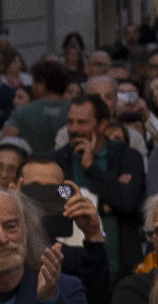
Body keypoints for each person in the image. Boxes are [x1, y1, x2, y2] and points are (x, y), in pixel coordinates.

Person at [57, 94, 146, 280]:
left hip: (121, 270)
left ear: (102, 125)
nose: (74, 129)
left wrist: (91, 168)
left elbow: (128, 202)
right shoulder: (59, 160)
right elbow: (60, 200)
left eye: (82, 122)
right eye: (70, 122)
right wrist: (103, 205)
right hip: (72, 269)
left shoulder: (127, 157)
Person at [4, 61, 72, 159]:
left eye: (34, 81)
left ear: (41, 84)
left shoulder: (22, 111)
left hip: (31, 164)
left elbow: (7, 142)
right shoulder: (75, 111)